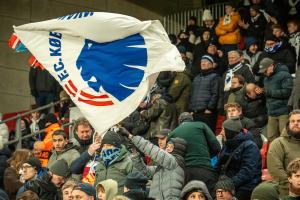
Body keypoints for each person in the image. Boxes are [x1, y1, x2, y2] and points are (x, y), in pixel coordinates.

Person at [124, 128, 187, 200]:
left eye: (171, 147)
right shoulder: (162, 167)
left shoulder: (174, 162)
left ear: (178, 150)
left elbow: (151, 149)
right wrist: (134, 152)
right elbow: (145, 171)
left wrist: (131, 137)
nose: (168, 149)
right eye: (167, 146)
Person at [168, 112, 220, 196]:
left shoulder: (172, 133)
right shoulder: (201, 125)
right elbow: (217, 147)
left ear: (179, 121)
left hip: (184, 173)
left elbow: (170, 157)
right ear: (192, 120)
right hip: (204, 169)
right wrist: (205, 156)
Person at [216, 117, 261, 200]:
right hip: (227, 185)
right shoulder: (227, 144)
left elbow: (247, 172)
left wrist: (228, 184)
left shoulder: (250, 146)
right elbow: (218, 167)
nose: (221, 133)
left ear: (230, 132)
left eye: (223, 130)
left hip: (245, 187)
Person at [258, 58, 293, 141]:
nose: (264, 73)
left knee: (285, 137)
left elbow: (288, 92)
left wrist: (269, 92)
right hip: (271, 112)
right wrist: (261, 92)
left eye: (265, 70)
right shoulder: (266, 79)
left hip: (283, 112)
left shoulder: (285, 75)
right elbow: (268, 94)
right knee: (271, 138)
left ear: (271, 66)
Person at [267, 110, 300, 197]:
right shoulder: (279, 143)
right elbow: (275, 169)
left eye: (299, 121)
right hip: (288, 191)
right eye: (292, 121)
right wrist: (294, 185)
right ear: (288, 124)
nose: (295, 123)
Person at [189, 55, 220, 131]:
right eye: (202, 61)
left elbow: (215, 94)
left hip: (207, 113)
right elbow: (191, 94)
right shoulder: (196, 78)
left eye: (206, 61)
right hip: (195, 113)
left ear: (211, 64)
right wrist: (190, 109)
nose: (203, 63)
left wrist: (209, 108)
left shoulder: (215, 77)